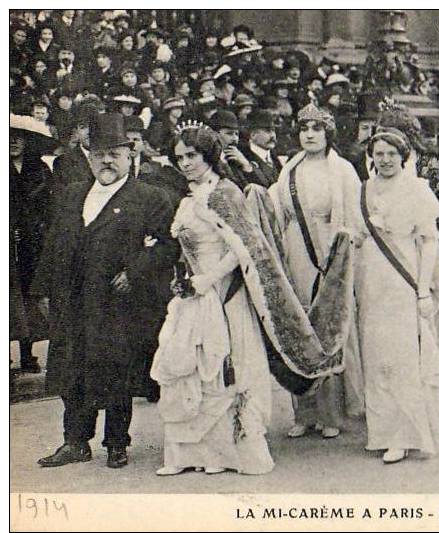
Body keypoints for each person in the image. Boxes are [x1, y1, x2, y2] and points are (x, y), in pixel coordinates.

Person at [32, 113, 178, 469]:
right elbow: (54, 244)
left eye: (114, 153)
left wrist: (135, 271)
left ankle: (116, 443)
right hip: (73, 300)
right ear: (89, 156)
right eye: (99, 154)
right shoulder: (72, 195)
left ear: (129, 155)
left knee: (116, 372)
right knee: (72, 372)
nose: (107, 161)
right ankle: (75, 442)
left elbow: (167, 245)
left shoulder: (149, 197)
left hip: (117, 302)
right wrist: (44, 290)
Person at [151, 124, 277, 476]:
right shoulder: (188, 199)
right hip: (194, 292)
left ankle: (231, 454)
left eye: (192, 155)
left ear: (209, 155)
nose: (186, 163)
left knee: (227, 365)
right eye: (180, 158)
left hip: (225, 292)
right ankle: (191, 454)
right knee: (190, 366)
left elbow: (242, 248)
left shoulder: (225, 192)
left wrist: (210, 279)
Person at [355, 127, 439, 463]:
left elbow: (429, 243)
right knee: (376, 356)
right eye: (378, 154)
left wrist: (423, 289)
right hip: (370, 282)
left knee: (402, 358)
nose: (384, 160)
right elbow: (357, 233)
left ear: (403, 156)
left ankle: (405, 434)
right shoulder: (364, 189)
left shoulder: (416, 189)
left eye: (391, 154)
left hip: (403, 281)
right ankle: (381, 432)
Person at [267, 103, 364, 439]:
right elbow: (276, 212)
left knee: (329, 326)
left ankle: (330, 414)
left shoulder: (343, 171)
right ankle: (303, 412)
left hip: (330, 251)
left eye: (316, 129)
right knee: (299, 324)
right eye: (304, 129)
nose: (309, 135)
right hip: (296, 251)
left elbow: (354, 219)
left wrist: (340, 255)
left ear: (328, 133)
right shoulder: (288, 170)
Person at [10, 115, 57, 374]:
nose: (14, 142)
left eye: (19, 137)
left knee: (31, 297)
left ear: (28, 141)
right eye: (8, 137)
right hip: (8, 244)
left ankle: (28, 354)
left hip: (34, 244)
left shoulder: (39, 169)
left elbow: (51, 207)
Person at [242, 109, 283, 183]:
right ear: (253, 135)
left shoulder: (275, 158)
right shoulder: (244, 157)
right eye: (267, 131)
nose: (273, 135)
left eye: (274, 130)